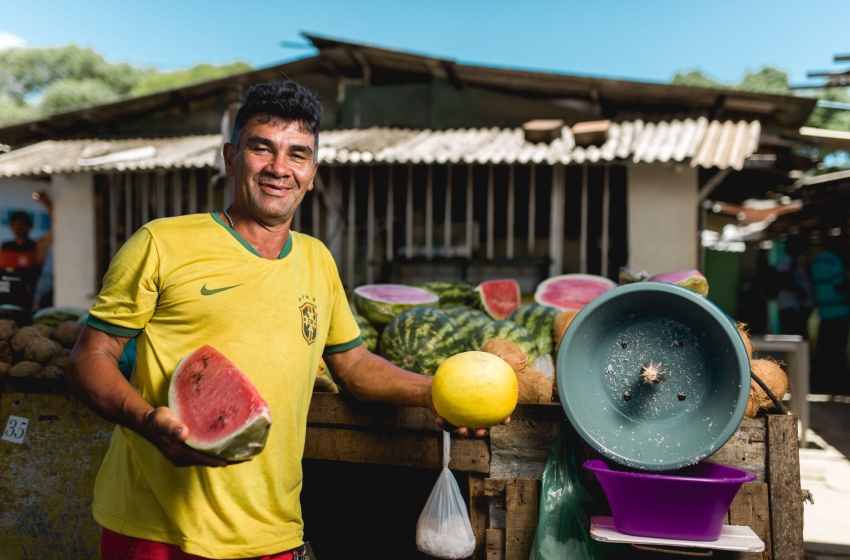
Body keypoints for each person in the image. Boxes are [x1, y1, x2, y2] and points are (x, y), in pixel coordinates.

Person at [66, 79, 501, 560]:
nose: (279, 168)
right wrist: (147, 420)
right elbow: (90, 356)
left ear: (313, 172)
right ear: (231, 158)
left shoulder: (317, 260)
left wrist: (436, 391)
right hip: (156, 531)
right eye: (262, 148)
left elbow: (353, 366)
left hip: (274, 530)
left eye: (297, 154)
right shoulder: (161, 243)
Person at [811, 233, 850, 395]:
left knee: (825, 351)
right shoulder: (833, 260)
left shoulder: (818, 261)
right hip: (839, 312)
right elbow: (839, 287)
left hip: (825, 311)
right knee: (836, 353)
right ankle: (834, 386)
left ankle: (821, 384)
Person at [774, 233, 814, 338]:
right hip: (790, 307)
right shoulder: (785, 259)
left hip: (797, 308)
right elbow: (783, 280)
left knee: (801, 339)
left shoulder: (796, 260)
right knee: (795, 339)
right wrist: (801, 293)